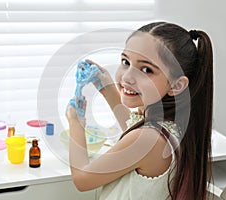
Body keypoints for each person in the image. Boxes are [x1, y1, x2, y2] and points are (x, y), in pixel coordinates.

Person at [66, 21, 213, 200]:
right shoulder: (171, 125)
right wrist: (107, 87)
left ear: (176, 85)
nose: (127, 76)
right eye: (126, 62)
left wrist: (76, 122)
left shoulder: (147, 139)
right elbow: (133, 127)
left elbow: (82, 179)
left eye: (146, 69)